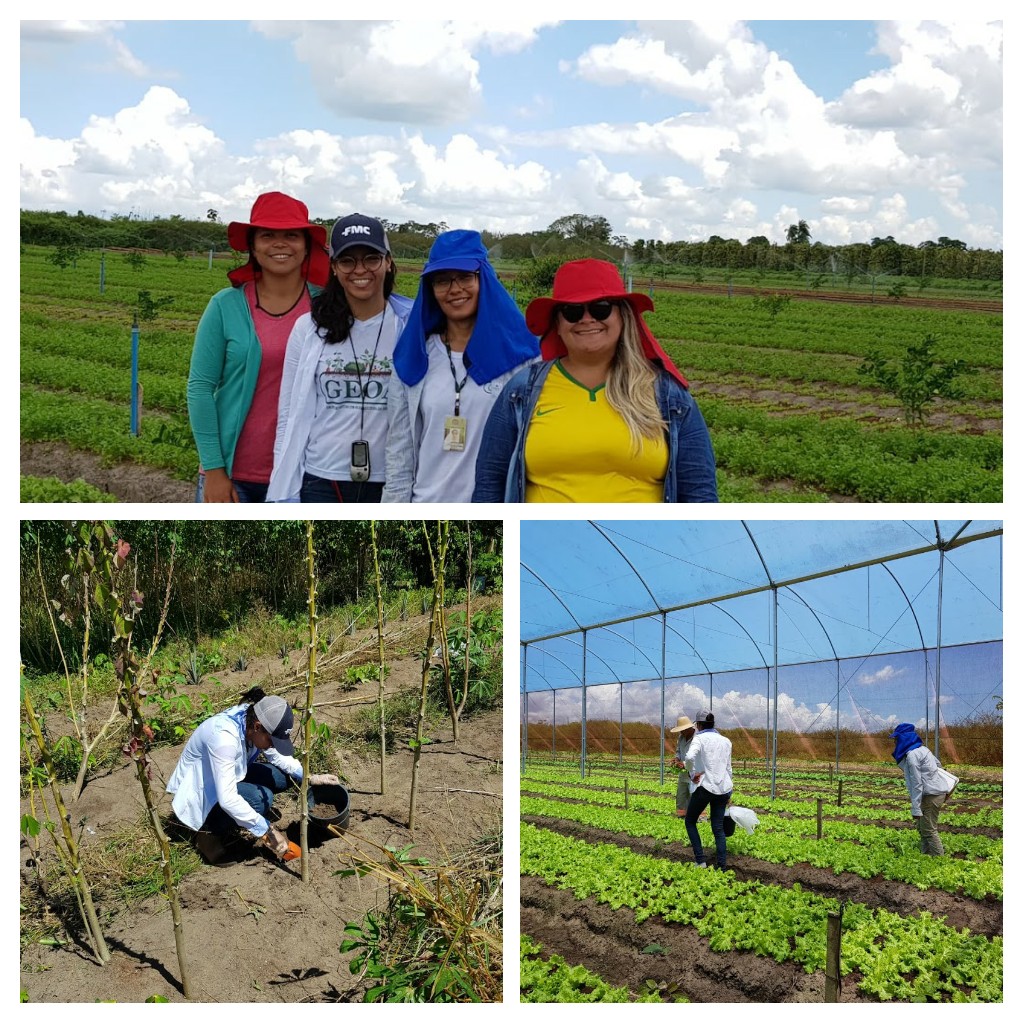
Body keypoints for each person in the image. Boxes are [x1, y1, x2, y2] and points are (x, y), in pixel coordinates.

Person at [472, 258, 718, 503]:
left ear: (623, 317)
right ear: (557, 324)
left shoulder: (666, 394)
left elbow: (699, 492)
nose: (587, 319)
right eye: (572, 311)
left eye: (601, 307)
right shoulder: (523, 390)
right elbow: (490, 481)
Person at [187, 192, 329, 502]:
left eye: (291, 235)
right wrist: (214, 470)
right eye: (267, 235)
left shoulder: (329, 307)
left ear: (306, 246)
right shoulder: (225, 306)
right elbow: (199, 388)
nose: (280, 244)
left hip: (304, 473)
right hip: (233, 476)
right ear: (253, 245)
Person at [382, 229, 539, 502]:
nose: (454, 289)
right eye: (442, 281)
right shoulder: (414, 357)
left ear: (485, 279)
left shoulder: (522, 360)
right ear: (430, 289)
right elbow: (400, 452)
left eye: (466, 277)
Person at [267, 214, 413, 502]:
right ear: (334, 267)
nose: (360, 270)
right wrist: (283, 485)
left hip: (390, 482)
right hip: (322, 479)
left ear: (388, 262)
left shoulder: (408, 327)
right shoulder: (309, 329)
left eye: (371, 258)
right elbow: (288, 412)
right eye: (347, 261)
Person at [165, 688, 339, 864]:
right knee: (258, 799)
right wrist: (267, 831)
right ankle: (208, 833)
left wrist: (308, 776)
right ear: (257, 727)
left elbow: (277, 755)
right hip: (202, 792)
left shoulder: (251, 720)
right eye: (272, 740)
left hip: (230, 774)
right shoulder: (223, 738)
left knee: (282, 777)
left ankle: (243, 816)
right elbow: (228, 798)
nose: (273, 745)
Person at [891, 723, 958, 856]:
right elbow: (938, 765)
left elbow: (917, 783)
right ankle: (925, 856)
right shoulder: (923, 750)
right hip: (935, 793)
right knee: (923, 829)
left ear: (904, 738)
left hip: (930, 796)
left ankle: (939, 860)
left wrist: (915, 808)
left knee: (929, 831)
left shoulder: (912, 755)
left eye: (896, 738)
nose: (895, 741)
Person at [683, 710, 733, 869]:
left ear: (698, 725)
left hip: (705, 787)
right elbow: (728, 768)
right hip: (723, 788)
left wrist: (692, 774)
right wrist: (729, 790)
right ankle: (722, 866)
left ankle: (700, 861)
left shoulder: (699, 739)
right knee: (718, 828)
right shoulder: (726, 741)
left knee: (690, 821)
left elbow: (689, 757)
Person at [669, 715, 697, 817]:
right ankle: (681, 816)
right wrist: (676, 759)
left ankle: (699, 819)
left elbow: (698, 757)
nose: (681, 732)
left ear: (689, 728)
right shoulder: (681, 738)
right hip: (683, 774)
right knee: (681, 797)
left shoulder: (697, 739)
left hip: (695, 773)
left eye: (683, 730)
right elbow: (678, 751)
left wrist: (684, 764)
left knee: (694, 797)